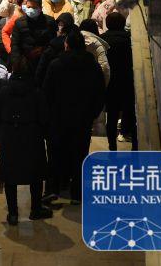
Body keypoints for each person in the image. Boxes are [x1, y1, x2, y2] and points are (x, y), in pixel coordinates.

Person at [42, 27, 106, 204]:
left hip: (58, 118)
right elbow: (100, 93)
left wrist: (48, 116)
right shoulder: (93, 66)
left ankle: (53, 190)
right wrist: (91, 114)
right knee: (79, 155)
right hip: (82, 119)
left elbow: (47, 93)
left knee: (55, 155)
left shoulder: (56, 65)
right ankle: (77, 193)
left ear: (67, 45)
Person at [0, 56, 53, 225]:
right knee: (35, 174)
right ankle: (35, 209)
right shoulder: (36, 92)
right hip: (32, 134)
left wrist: (2, 132)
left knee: (10, 175)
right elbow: (44, 117)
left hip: (9, 134)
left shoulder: (4, 91)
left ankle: (13, 213)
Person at [102, 12, 136, 151]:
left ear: (107, 24)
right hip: (128, 81)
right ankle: (135, 147)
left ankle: (112, 147)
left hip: (110, 83)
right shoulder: (130, 40)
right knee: (131, 115)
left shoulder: (103, 40)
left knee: (112, 116)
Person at [9, 0, 57, 73]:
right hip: (26, 61)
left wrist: (43, 50)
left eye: (34, 7)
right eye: (28, 7)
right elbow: (15, 44)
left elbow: (54, 42)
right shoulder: (19, 23)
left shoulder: (49, 21)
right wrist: (16, 62)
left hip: (45, 60)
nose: (31, 10)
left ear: (40, 8)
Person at [79, 19, 111, 86]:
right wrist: (103, 86)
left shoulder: (73, 39)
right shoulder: (97, 43)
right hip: (92, 81)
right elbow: (104, 67)